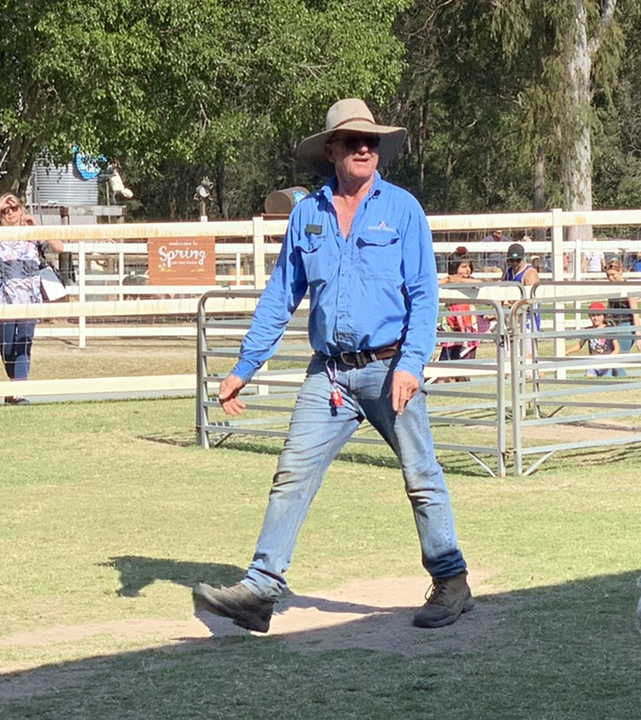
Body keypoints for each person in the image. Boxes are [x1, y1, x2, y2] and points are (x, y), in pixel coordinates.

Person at [193, 99, 473, 634]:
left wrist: (412, 364)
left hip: (392, 367)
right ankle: (260, 589)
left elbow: (424, 294)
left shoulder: (404, 209)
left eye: (371, 141)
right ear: (332, 151)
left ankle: (450, 580)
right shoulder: (308, 214)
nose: (364, 148)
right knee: (292, 473)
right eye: (352, 141)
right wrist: (245, 365)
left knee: (422, 477)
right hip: (330, 374)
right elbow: (281, 296)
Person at [0, 192, 60, 405]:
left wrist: (36, 226)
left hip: (30, 300)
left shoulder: (32, 234)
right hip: (3, 301)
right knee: (7, 348)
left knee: (23, 344)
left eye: (14, 208)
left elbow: (59, 247)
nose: (10, 212)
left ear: (22, 209)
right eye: (6, 210)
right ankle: (14, 386)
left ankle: (19, 391)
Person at [438, 248, 480, 363]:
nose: (467, 270)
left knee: (466, 354)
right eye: (463, 267)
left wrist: (459, 280)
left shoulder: (470, 281)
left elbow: (480, 283)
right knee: (448, 351)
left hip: (467, 322)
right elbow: (435, 284)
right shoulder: (449, 280)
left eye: (468, 266)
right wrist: (449, 279)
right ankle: (443, 376)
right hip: (453, 321)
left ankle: (460, 377)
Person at [601, 256, 639, 369]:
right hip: (613, 326)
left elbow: (635, 312)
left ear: (620, 272)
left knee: (618, 359)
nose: (611, 278)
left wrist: (638, 334)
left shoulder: (628, 288)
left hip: (625, 325)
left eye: (613, 275)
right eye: (608, 275)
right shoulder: (611, 288)